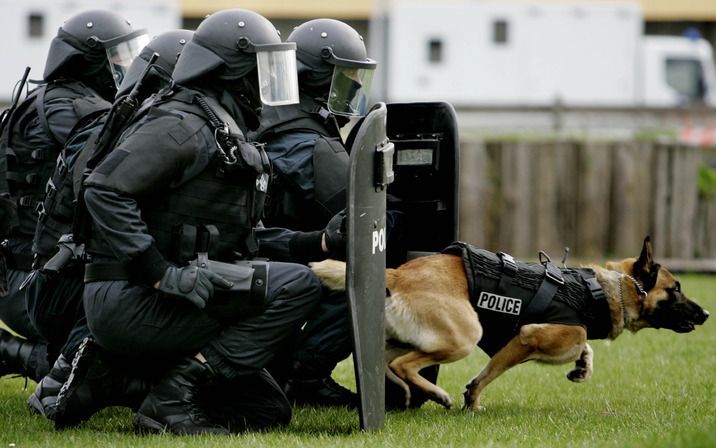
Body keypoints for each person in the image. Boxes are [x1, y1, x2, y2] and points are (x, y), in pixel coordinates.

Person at [57, 9, 327, 435]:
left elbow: (240, 240)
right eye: (264, 67)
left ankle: (117, 378)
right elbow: (104, 190)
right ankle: (171, 398)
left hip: (172, 290)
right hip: (134, 296)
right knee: (298, 288)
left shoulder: (218, 124)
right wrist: (159, 274)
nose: (270, 82)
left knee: (266, 411)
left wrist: (320, 243)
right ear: (233, 69)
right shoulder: (181, 123)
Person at [251, 18, 436, 409]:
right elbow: (369, 226)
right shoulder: (310, 147)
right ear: (318, 79)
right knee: (360, 276)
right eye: (344, 77)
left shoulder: (264, 124)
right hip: (288, 265)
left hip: (263, 258)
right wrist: (399, 206)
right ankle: (305, 376)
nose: (352, 87)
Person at [25, 29, 195, 423]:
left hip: (52, 279)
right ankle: (64, 377)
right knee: (131, 276)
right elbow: (101, 206)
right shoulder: (119, 128)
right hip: (64, 285)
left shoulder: (119, 121)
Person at [0, 10, 148, 383]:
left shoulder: (37, 100)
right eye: (118, 58)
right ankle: (22, 354)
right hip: (40, 285)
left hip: (18, 276)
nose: (128, 68)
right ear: (89, 61)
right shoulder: (77, 110)